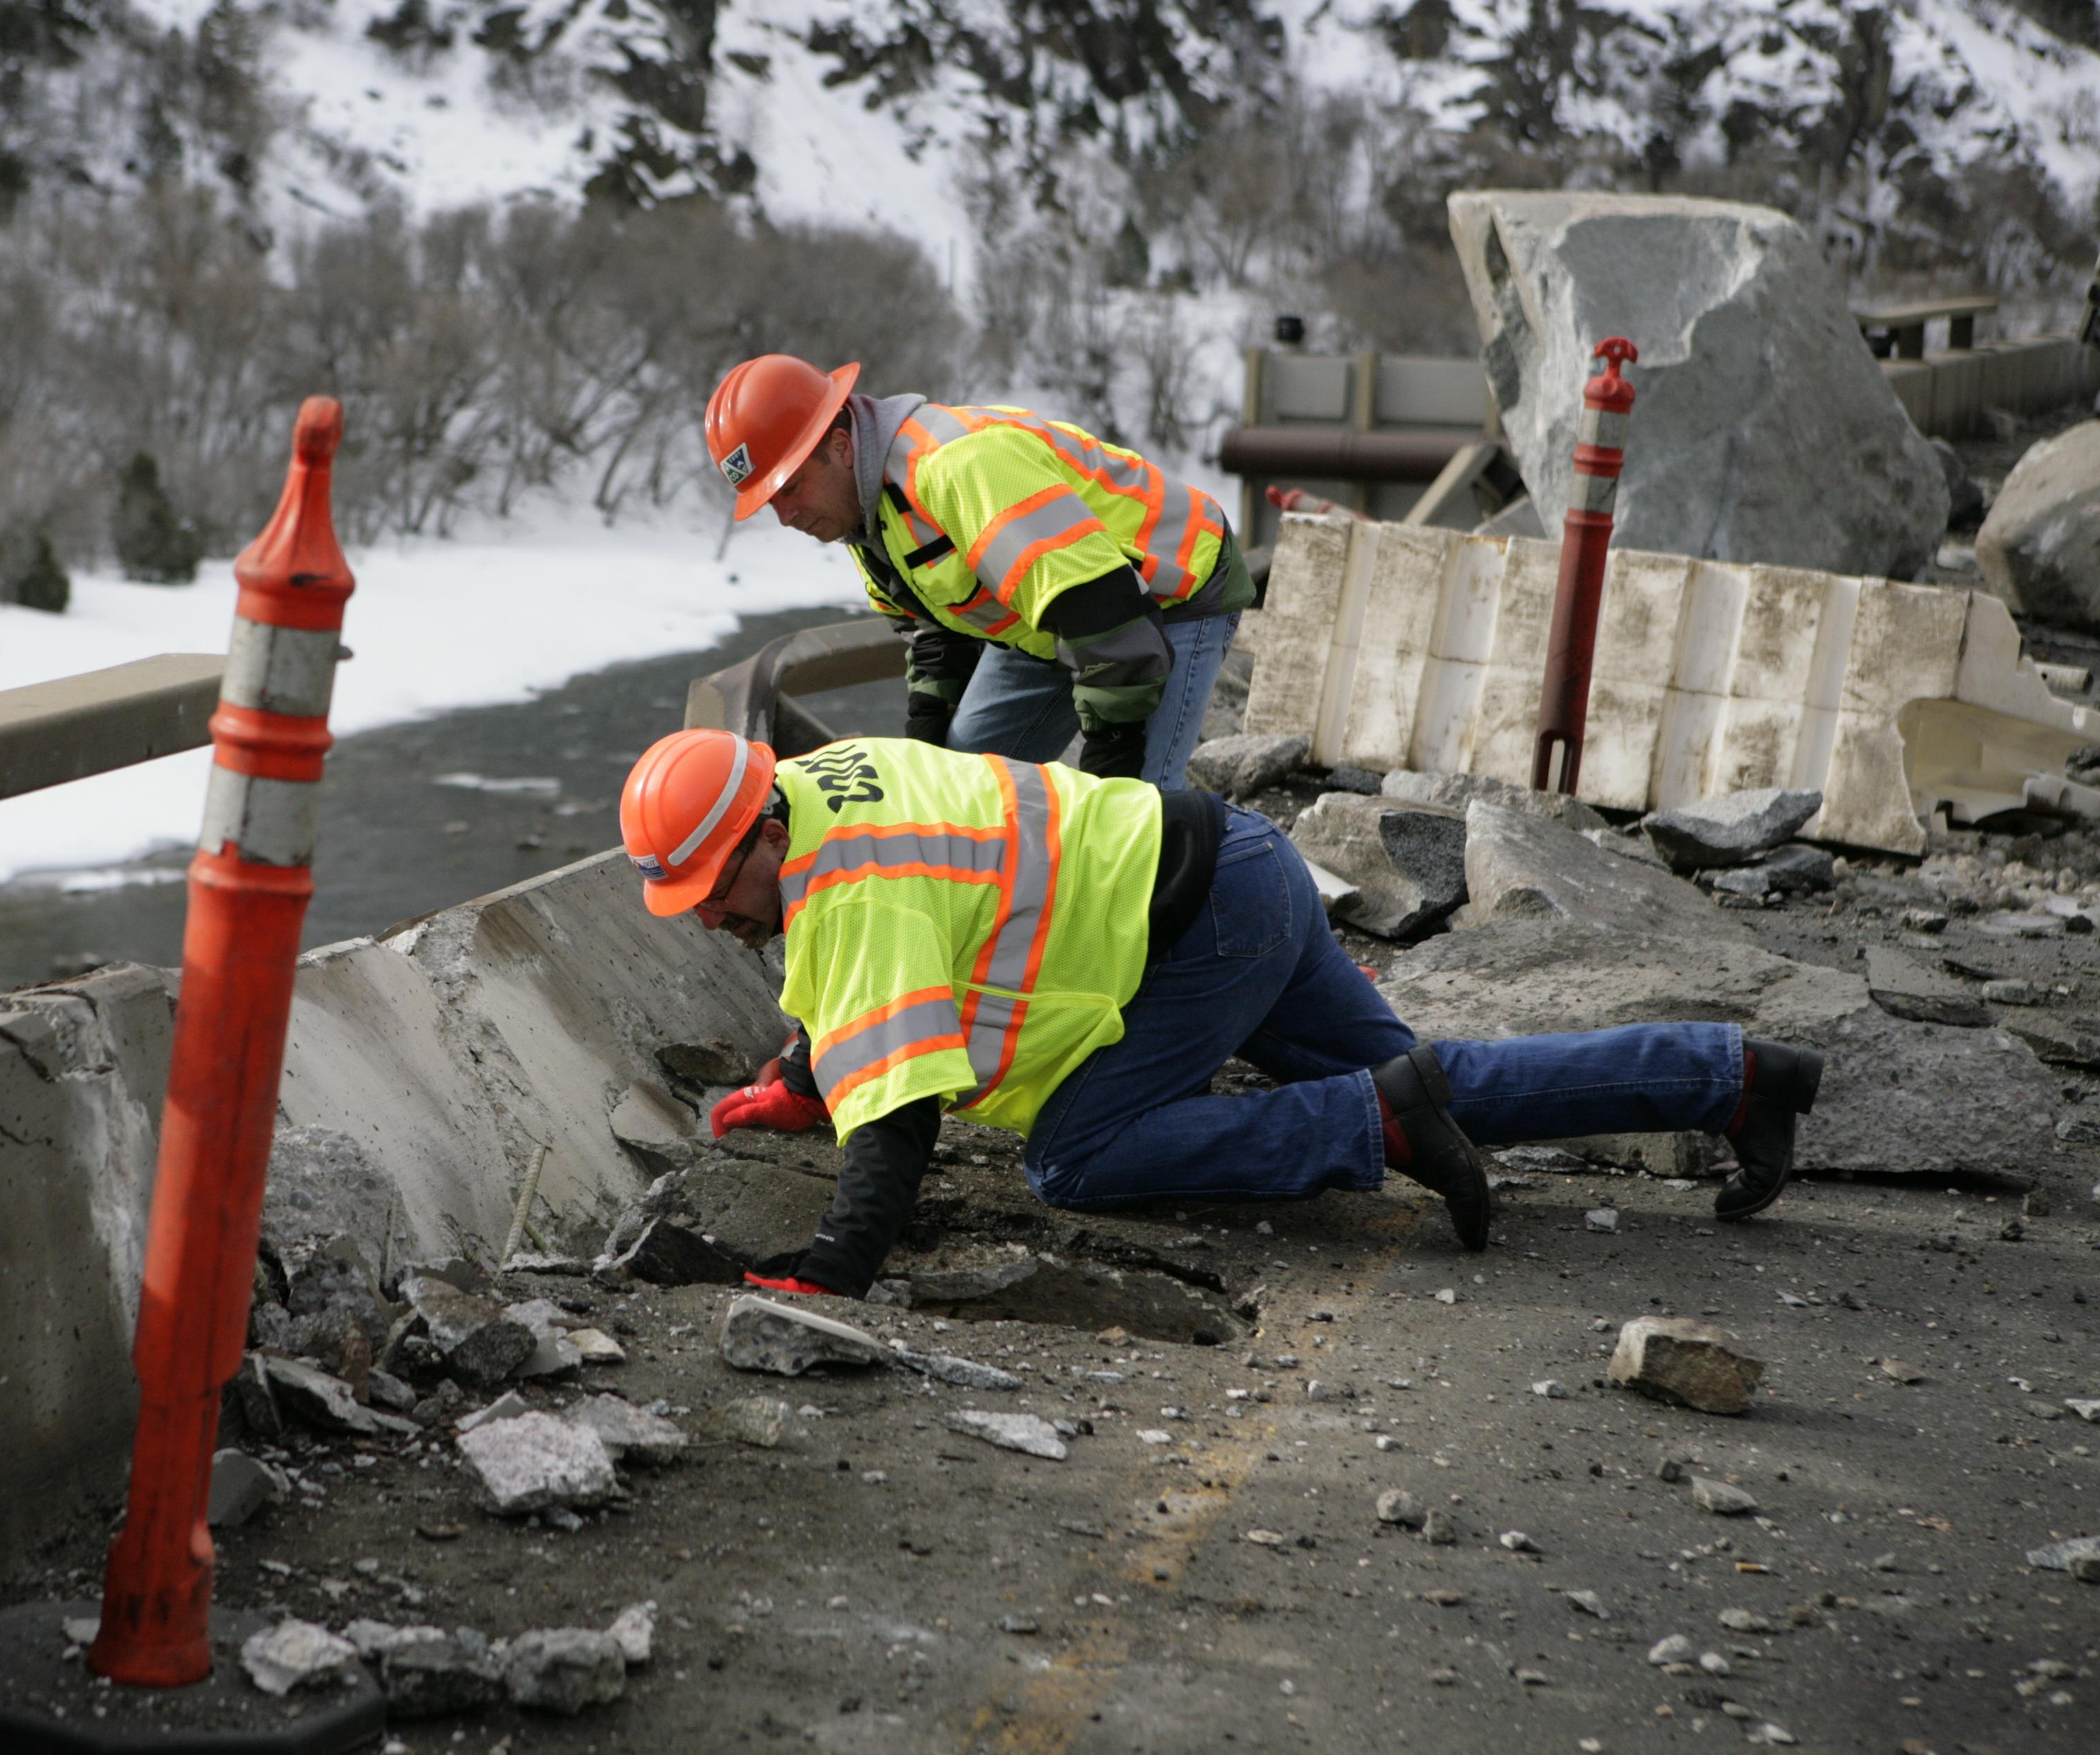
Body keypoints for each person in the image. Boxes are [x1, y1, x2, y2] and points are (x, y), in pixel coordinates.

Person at [620, 728, 1823, 1298]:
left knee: (1074, 1157)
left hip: (1200, 932)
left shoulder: (853, 887)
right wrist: (808, 1075)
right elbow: (872, 996)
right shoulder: (828, 786)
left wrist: (833, 1278)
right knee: (1432, 1085)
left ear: (765, 831)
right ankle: (1734, 1078)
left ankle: (1372, 1130)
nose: (713, 918)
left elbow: (903, 1119)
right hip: (1235, 870)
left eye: (716, 889)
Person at [704, 354, 1250, 792]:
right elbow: (933, 628)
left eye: (791, 489)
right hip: (1049, 620)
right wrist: (927, 746)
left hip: (1168, 589)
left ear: (841, 447)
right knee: (957, 792)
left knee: (1142, 826)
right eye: (770, 501)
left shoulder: (957, 467)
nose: (786, 516)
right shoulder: (861, 513)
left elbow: (1111, 624)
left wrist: (1111, 773)